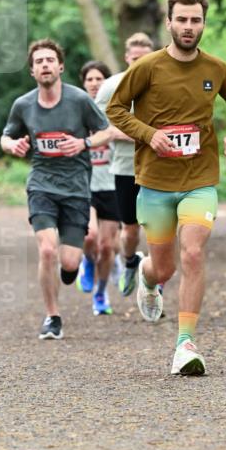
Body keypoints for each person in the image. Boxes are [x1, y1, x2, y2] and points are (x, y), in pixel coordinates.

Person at [107, 0, 226, 376]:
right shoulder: (148, 68)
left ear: (204, 23)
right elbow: (116, 109)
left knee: (192, 253)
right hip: (155, 181)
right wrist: (148, 134)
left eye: (196, 20)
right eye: (182, 20)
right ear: (168, 22)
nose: (189, 27)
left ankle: (184, 344)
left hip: (200, 179)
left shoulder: (216, 69)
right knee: (165, 268)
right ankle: (147, 276)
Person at [0, 38, 107, 339]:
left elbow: (107, 131)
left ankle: (73, 268)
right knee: (48, 250)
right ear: (32, 71)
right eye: (38, 62)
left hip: (76, 189)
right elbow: (5, 137)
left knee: (69, 263)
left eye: (49, 60)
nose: (44, 65)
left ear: (60, 66)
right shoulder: (23, 105)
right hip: (42, 186)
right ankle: (52, 317)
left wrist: (83, 142)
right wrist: (13, 145)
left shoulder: (79, 100)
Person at [95, 33, 154, 297]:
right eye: (135, 59)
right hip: (124, 168)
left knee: (158, 229)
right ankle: (130, 261)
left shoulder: (163, 83)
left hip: (159, 167)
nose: (139, 63)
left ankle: (155, 282)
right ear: (127, 58)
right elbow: (98, 126)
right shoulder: (111, 86)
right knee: (130, 230)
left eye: (144, 58)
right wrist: (138, 134)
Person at [76, 61, 121, 316]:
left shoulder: (116, 111)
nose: (94, 83)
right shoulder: (76, 111)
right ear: (84, 84)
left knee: (107, 246)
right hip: (85, 185)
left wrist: (114, 133)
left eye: (99, 79)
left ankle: (101, 293)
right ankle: (87, 262)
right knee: (89, 236)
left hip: (112, 185)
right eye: (90, 79)